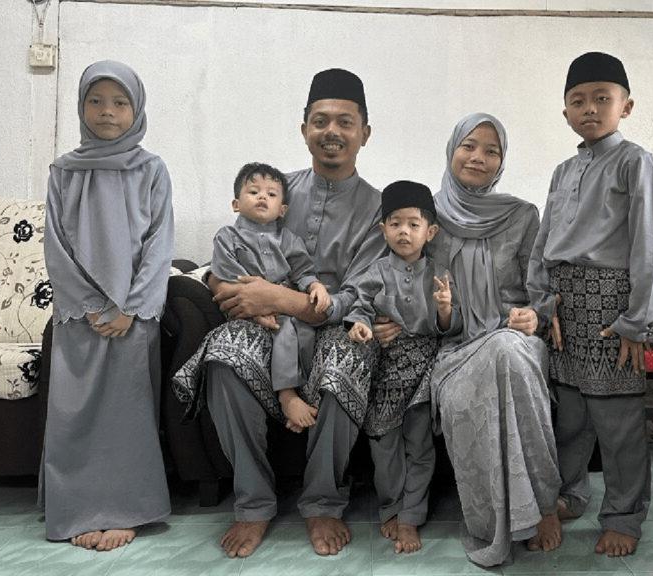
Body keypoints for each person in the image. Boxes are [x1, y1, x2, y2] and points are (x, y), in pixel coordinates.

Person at [174, 68, 385, 558]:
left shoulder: (379, 209)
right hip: (267, 329)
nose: (331, 131)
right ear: (304, 128)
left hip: (332, 325)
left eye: (345, 122)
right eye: (320, 120)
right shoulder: (272, 189)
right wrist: (220, 283)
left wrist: (277, 296)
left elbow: (359, 295)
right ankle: (253, 503)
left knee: (347, 361)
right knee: (224, 355)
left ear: (364, 134)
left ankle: (323, 502)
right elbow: (230, 256)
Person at [374, 113, 562, 567]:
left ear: (502, 162)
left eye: (491, 151)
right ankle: (496, 518)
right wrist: (388, 317)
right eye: (469, 146)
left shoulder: (521, 216)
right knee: (490, 364)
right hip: (453, 348)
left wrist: (535, 316)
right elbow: (397, 279)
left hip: (512, 337)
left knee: (509, 351)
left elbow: (541, 291)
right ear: (452, 149)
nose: (479, 157)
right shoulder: (425, 216)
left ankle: (544, 506)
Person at [527, 51, 653, 558]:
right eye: (578, 100)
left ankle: (624, 517)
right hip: (566, 309)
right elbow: (546, 242)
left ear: (625, 106)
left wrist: (637, 322)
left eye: (602, 99)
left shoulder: (636, 162)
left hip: (613, 310)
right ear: (565, 111)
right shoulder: (563, 170)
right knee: (570, 417)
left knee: (619, 421)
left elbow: (647, 245)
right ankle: (571, 494)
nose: (590, 108)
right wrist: (545, 305)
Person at [41, 60, 173, 551]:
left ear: (136, 109)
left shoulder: (151, 169)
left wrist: (131, 308)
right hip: (81, 317)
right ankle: (76, 509)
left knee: (127, 415)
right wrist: (91, 304)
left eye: (120, 102)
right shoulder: (62, 171)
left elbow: (161, 244)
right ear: (81, 107)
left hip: (132, 318)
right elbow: (55, 245)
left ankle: (125, 510)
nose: (107, 112)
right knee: (73, 414)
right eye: (95, 101)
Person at [344, 179, 461, 554]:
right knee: (384, 445)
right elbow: (359, 306)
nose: (404, 232)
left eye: (413, 224)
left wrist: (444, 308)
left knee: (420, 446)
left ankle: (411, 516)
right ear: (383, 230)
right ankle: (391, 507)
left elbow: (451, 326)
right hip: (386, 371)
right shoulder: (376, 271)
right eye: (395, 223)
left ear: (431, 231)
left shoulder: (440, 272)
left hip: (425, 369)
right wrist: (361, 325)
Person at [202, 162, 330, 434]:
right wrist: (255, 311)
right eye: (254, 191)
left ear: (282, 210)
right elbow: (226, 274)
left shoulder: (288, 239)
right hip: (245, 307)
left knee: (305, 332)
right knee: (284, 332)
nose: (263, 197)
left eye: (272, 194)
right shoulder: (228, 237)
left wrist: (315, 285)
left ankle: (303, 396)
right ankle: (287, 396)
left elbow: (303, 270)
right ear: (236, 203)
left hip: (283, 303)